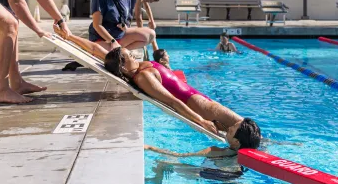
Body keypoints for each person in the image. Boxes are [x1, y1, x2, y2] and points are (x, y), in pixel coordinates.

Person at [104, 47, 262, 152]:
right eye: (130, 56)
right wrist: (201, 121)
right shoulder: (143, 77)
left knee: (248, 135)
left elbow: (96, 50)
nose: (134, 56)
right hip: (203, 109)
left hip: (202, 100)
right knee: (246, 134)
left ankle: (259, 154)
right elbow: (172, 101)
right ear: (123, 67)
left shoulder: (140, 67)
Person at [87, 0, 156, 54]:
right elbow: (97, 25)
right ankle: (116, 52)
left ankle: (120, 52)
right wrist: (112, 41)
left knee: (150, 34)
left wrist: (124, 26)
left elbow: (122, 16)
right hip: (103, 39)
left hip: (119, 35)